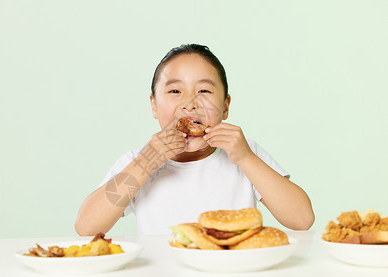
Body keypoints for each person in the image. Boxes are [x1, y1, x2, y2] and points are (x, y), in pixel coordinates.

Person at [75, 44, 314, 236]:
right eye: (175, 91)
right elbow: (86, 227)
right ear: (154, 106)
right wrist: (144, 164)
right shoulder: (137, 162)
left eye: (204, 91)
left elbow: (302, 219)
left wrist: (246, 159)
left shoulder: (244, 154)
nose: (190, 103)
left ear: (225, 106)